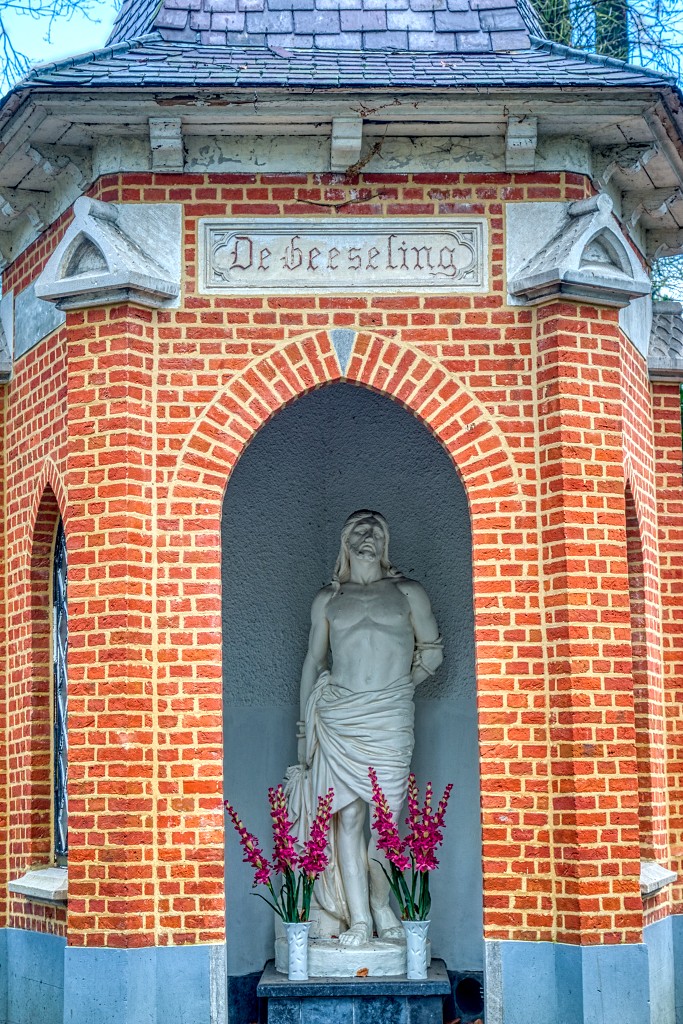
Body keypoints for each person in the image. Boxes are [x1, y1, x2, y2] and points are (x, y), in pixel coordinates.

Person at [292, 510, 443, 948]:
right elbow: (313, 662)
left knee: (386, 824)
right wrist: (304, 730)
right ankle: (360, 919)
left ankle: (382, 905)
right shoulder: (327, 600)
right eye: (360, 529)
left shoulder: (407, 593)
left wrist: (398, 691)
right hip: (339, 717)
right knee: (348, 817)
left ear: (386, 542)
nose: (368, 537)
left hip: (389, 717)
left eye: (376, 530)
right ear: (344, 541)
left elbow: (431, 652)